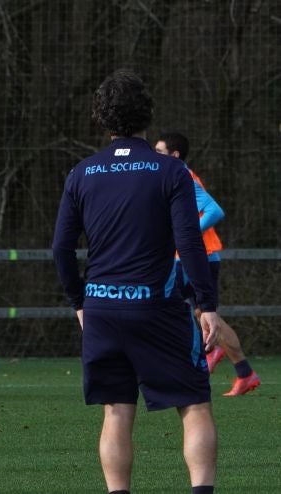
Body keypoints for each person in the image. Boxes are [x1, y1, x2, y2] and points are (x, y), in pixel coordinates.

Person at [52, 69, 221, 494]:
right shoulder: (170, 171)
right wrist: (207, 303)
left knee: (116, 411)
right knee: (195, 404)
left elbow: (60, 249)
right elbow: (190, 242)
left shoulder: (82, 173)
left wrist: (80, 300)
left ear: (102, 118)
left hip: (102, 307)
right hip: (158, 307)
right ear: (146, 114)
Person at [154, 132, 261, 396]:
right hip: (193, 256)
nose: (154, 156)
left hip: (200, 256)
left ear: (174, 155)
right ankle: (237, 368)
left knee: (177, 309)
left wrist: (184, 236)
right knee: (201, 314)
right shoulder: (173, 177)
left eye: (159, 151)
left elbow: (214, 210)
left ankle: (214, 360)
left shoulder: (184, 177)